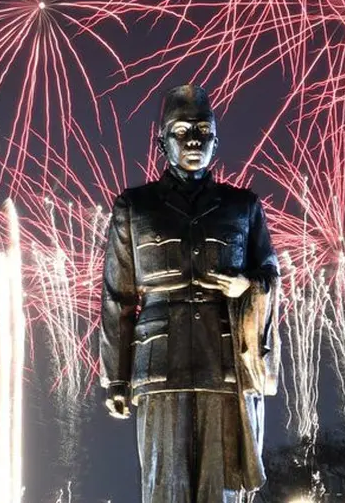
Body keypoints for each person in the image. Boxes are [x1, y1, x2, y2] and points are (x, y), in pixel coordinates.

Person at [99, 84, 281, 503]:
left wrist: (247, 286)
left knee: (222, 491)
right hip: (159, 366)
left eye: (203, 129)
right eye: (182, 130)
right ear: (162, 141)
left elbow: (270, 273)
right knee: (164, 487)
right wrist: (117, 378)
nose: (194, 139)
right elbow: (118, 298)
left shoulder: (244, 207)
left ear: (217, 139)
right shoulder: (134, 207)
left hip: (224, 365)